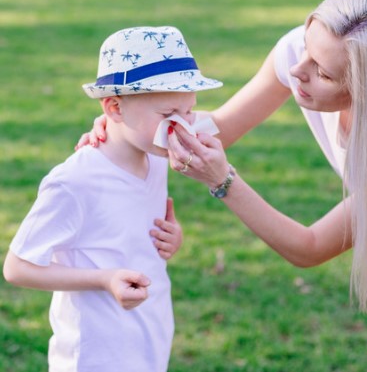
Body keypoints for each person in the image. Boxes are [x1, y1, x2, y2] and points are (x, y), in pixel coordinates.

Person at [78, 0, 367, 372]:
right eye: (308, 49)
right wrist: (126, 126)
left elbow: (309, 248)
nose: (297, 70)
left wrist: (223, 181)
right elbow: (219, 129)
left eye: (323, 73)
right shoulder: (310, 54)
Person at [3, 26, 222, 372]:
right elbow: (17, 267)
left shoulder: (155, 155)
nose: (182, 126)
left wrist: (172, 237)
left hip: (148, 338)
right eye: (168, 115)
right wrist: (102, 278)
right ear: (115, 108)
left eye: (189, 111)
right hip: (94, 355)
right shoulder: (74, 181)